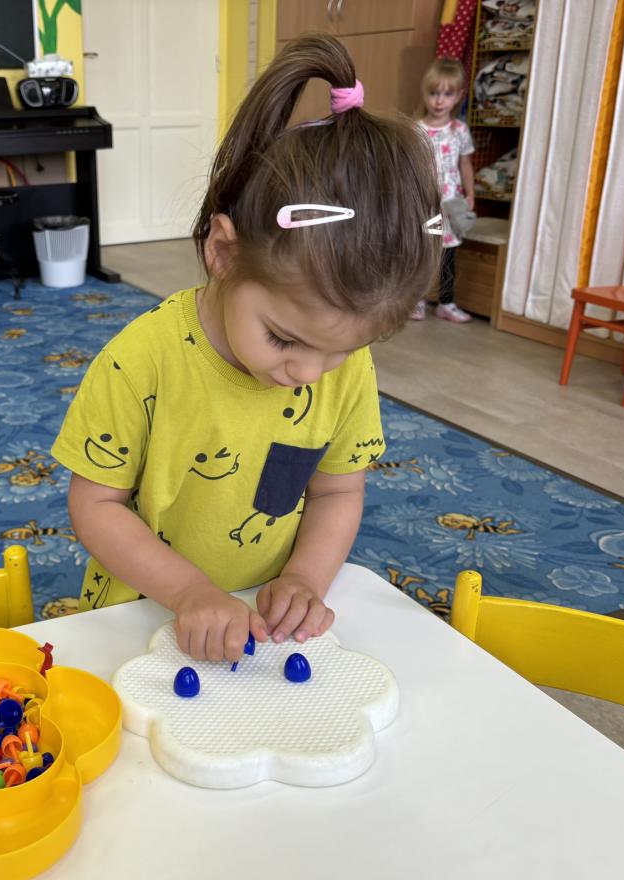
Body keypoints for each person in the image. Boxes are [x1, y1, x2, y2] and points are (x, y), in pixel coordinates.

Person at [51, 34, 441, 662]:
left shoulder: (342, 370)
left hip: (263, 627)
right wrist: (188, 591)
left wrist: (305, 578)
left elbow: (337, 491)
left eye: (341, 351)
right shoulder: (140, 361)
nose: (308, 372)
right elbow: (95, 503)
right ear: (224, 253)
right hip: (139, 616)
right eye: (284, 338)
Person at [412, 57, 476, 323]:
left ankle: (446, 302)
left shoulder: (459, 130)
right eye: (434, 93)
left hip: (450, 204)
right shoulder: (417, 129)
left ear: (458, 96)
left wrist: (470, 194)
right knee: (425, 253)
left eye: (447, 94)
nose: (439, 101)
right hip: (426, 204)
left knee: (448, 254)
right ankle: (416, 300)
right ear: (425, 93)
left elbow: (465, 164)